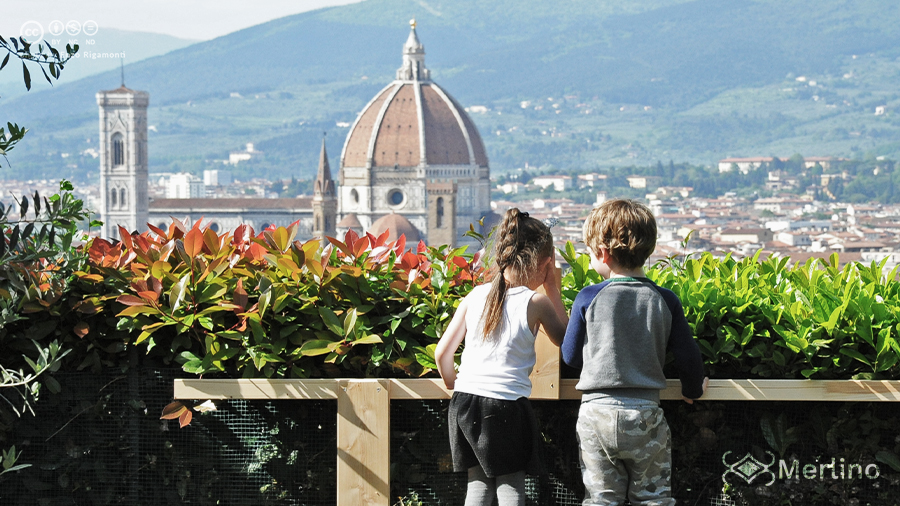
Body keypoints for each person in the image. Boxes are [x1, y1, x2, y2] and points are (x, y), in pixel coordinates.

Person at [561, 199, 708, 506]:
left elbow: (571, 356)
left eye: (590, 254)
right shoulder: (664, 299)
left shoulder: (588, 296)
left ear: (603, 253)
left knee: (601, 499)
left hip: (595, 414)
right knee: (652, 499)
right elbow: (688, 357)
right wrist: (694, 388)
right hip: (644, 413)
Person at [435, 208, 569, 506]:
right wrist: (554, 290)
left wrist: (453, 385)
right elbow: (566, 341)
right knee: (511, 486)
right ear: (544, 263)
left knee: (478, 486)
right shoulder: (537, 303)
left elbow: (442, 353)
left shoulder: (474, 296)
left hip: (464, 403)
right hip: (506, 406)